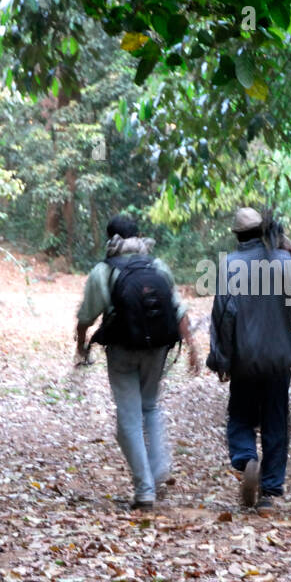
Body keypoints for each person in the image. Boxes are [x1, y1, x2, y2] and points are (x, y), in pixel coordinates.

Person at [76, 215, 199, 510]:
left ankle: (145, 490)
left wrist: (81, 348)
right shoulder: (157, 267)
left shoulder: (102, 271)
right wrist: (193, 348)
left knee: (128, 418)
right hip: (157, 348)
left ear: (110, 239)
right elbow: (178, 309)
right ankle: (158, 469)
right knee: (150, 407)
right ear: (138, 236)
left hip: (121, 350)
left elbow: (86, 317)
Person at [206, 208, 291, 509]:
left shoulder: (230, 265)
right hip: (279, 358)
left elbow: (223, 316)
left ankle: (247, 459)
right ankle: (270, 492)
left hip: (244, 359)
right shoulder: (283, 261)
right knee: (275, 421)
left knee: (240, 417)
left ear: (238, 236)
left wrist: (221, 360)